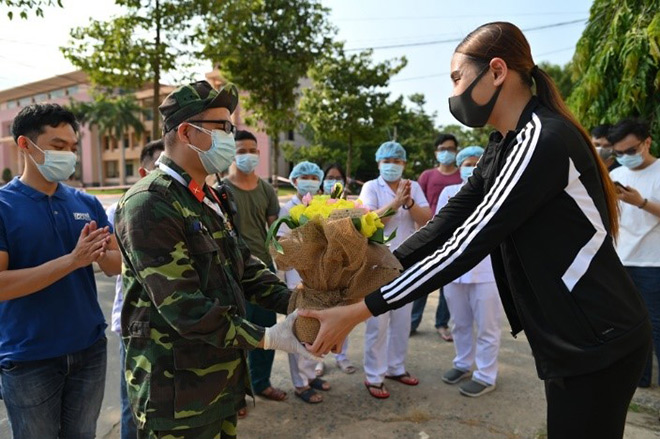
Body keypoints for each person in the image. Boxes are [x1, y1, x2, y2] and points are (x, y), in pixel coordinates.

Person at [302, 22, 651, 439]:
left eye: (457, 78)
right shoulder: (503, 144)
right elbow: (446, 225)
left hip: (598, 334)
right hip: (571, 333)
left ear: (497, 71)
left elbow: (467, 244)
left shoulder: (541, 140)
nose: (453, 93)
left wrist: (362, 310)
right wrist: (364, 281)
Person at [114, 80, 313, 439]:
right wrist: (267, 337)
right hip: (175, 394)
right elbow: (184, 307)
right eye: (223, 128)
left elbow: (244, 266)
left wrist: (300, 302)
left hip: (219, 382)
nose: (230, 138)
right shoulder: (149, 204)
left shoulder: (208, 196)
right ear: (188, 132)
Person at [0, 103, 122, 438]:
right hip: (29, 358)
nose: (68, 156)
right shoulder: (4, 207)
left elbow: (115, 266)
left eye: (71, 148)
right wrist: (72, 260)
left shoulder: (86, 203)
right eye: (57, 147)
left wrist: (101, 254)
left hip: (89, 348)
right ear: (25, 145)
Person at [221, 129, 287, 416]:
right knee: (234, 337)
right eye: (241, 150)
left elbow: (274, 232)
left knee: (265, 334)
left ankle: (261, 383)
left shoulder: (266, 190)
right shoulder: (221, 190)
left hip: (262, 272)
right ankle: (235, 396)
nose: (248, 155)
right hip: (231, 274)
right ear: (231, 153)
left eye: (252, 150)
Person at [358, 141, 432, 399]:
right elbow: (370, 223)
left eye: (397, 161)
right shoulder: (370, 187)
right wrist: (396, 202)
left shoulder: (414, 186)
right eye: (387, 161)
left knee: (402, 321)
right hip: (376, 263)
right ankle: (374, 375)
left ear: (404, 164)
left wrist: (409, 203)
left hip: (407, 263)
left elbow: (426, 220)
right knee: (377, 323)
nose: (392, 166)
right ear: (379, 163)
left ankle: (395, 367)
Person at [106, 139, 164, 439]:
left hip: (176, 325)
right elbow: (113, 264)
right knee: (134, 404)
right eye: (160, 167)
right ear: (144, 172)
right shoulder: (123, 208)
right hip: (136, 324)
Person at [437, 146, 502, 397]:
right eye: (467, 162)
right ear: (459, 165)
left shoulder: (497, 192)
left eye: (478, 163)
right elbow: (440, 227)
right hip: (453, 270)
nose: (472, 167)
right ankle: (463, 364)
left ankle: (486, 375)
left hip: (487, 270)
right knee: (459, 323)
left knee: (487, 325)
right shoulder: (449, 192)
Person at [607, 118, 660, 388]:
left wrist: (641, 202)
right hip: (621, 261)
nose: (625, 157)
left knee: (656, 328)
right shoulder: (615, 176)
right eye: (619, 153)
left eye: (630, 151)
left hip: (653, 264)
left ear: (647, 142)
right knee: (628, 327)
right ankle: (640, 378)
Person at [277, 161, 332, 403]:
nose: (310, 180)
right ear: (295, 180)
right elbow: (281, 246)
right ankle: (300, 384)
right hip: (296, 280)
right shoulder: (288, 209)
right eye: (304, 177)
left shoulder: (320, 206)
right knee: (297, 333)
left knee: (315, 330)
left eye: (314, 176)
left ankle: (310, 375)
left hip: (318, 280)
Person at [411, 134, 462, 340]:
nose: (446, 152)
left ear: (456, 151)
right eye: (442, 149)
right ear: (436, 152)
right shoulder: (427, 176)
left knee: (446, 282)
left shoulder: (462, 176)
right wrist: (418, 233)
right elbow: (417, 205)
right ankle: (413, 322)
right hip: (428, 234)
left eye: (450, 148)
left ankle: (442, 324)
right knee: (421, 280)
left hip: (454, 235)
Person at [316, 163, 356, 375]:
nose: (333, 181)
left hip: (343, 267)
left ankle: (342, 355)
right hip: (319, 268)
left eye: (337, 177)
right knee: (320, 313)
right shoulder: (315, 204)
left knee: (343, 312)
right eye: (329, 177)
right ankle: (318, 359)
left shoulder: (352, 207)